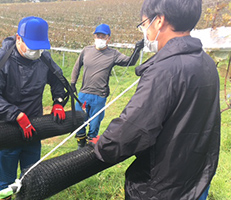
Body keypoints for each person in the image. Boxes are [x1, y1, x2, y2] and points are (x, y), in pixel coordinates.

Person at [92, 0, 220, 199]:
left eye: (144, 24)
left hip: (162, 188)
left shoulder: (163, 70)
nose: (145, 32)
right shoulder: (207, 63)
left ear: (158, 21)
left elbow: (134, 128)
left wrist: (104, 145)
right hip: (197, 179)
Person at [0, 16, 66, 199]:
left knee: (31, 176)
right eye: (32, 46)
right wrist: (17, 115)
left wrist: (58, 102)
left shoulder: (43, 58)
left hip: (33, 128)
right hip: (7, 130)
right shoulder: (0, 61)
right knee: (5, 179)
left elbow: (58, 81)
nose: (35, 51)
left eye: (39, 47)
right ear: (18, 38)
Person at [70, 23, 144, 149]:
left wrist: (137, 51)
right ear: (94, 36)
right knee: (78, 122)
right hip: (83, 94)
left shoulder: (113, 54)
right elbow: (77, 67)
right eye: (98, 35)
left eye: (103, 36)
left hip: (99, 96)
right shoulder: (86, 51)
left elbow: (129, 62)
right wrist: (72, 83)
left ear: (108, 38)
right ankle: (80, 145)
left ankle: (89, 149)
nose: (100, 38)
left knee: (94, 125)